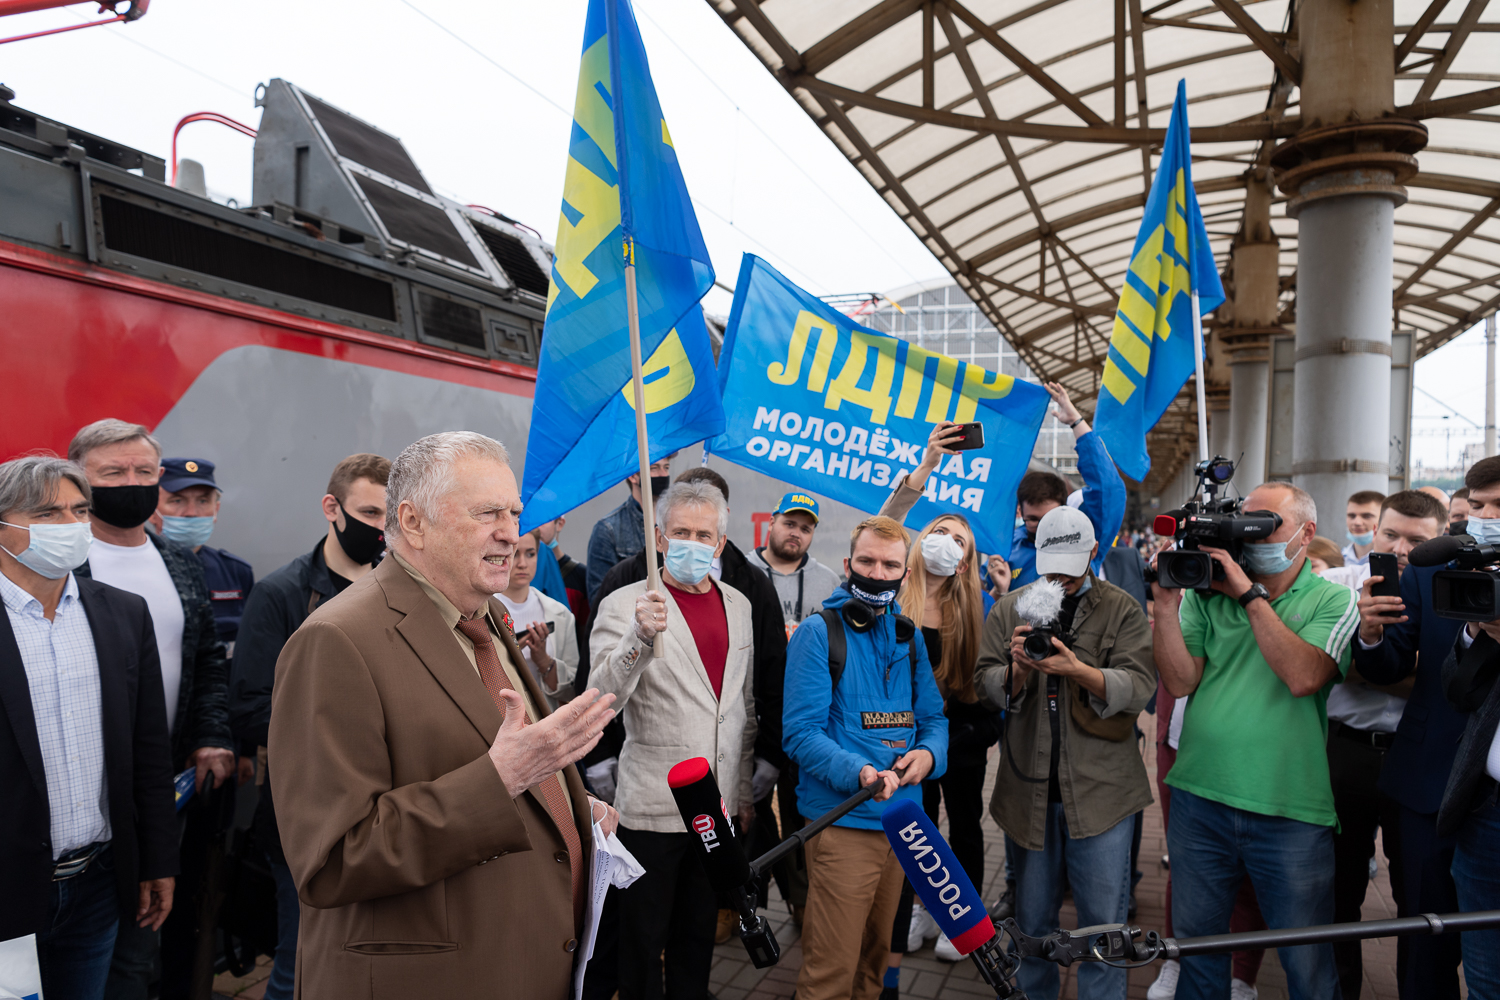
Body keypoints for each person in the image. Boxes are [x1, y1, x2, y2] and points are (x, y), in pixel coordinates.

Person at [268, 432, 618, 998]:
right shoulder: (335, 640)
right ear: (413, 522)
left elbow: (501, 765)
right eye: (487, 513)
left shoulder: (488, 614)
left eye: (514, 513)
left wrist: (571, 810)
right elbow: (332, 862)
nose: (511, 532)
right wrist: (501, 779)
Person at [1152, 481, 1358, 1000]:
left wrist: (1248, 595)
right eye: (1244, 524)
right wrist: (1165, 607)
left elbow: (1303, 676)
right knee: (1198, 954)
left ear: (1306, 534)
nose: (1251, 537)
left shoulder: (1333, 598)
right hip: (1200, 799)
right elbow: (1179, 681)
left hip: (1290, 812)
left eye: (1267, 527)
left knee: (1308, 966)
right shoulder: (1206, 596)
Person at [65, 419, 235, 1000]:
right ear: (78, 478)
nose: (131, 483)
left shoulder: (180, 562)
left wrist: (212, 734)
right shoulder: (61, 563)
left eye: (143, 471)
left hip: (161, 786)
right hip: (81, 787)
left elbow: (206, 658)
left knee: (139, 946)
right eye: (113, 472)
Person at [0, 456, 178, 1000]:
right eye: (48, 513)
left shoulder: (123, 613)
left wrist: (156, 860)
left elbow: (148, 750)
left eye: (79, 511)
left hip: (98, 881)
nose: (71, 525)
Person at [226, 452, 389, 1000]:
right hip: (305, 816)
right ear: (331, 508)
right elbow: (249, 706)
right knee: (301, 964)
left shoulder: (399, 589)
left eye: (391, 515)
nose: (380, 529)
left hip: (386, 814)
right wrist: (346, 735)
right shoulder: (282, 594)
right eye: (369, 513)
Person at [974, 506, 1154, 1000]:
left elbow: (1140, 686)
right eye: (1051, 568)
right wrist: (1019, 670)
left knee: (1103, 928)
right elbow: (984, 685)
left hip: (1102, 794)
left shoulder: (1121, 609)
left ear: (1094, 552)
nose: (1060, 579)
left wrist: (1079, 671)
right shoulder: (1012, 608)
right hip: (1028, 792)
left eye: (1072, 568)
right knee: (1033, 925)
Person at [589, 479, 757, 1000]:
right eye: (680, 532)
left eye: (703, 535)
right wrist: (638, 636)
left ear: (720, 543)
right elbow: (600, 698)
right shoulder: (625, 604)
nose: (692, 543)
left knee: (696, 939)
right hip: (651, 809)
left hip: (715, 811)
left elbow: (742, 706)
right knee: (641, 945)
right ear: (660, 538)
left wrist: (742, 790)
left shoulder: (739, 604)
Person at [783, 515, 947, 1000]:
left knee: (873, 969)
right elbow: (800, 734)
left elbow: (934, 720)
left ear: (906, 574)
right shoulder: (818, 633)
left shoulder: (909, 637)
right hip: (842, 823)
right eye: (867, 561)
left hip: (903, 823)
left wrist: (927, 755)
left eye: (890, 565)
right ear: (847, 563)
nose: (878, 573)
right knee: (830, 974)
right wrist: (859, 772)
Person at [1356, 475, 1487, 1000]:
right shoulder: (1431, 570)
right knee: (1423, 939)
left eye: (1498, 506)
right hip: (1427, 783)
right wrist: (1370, 634)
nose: (1485, 516)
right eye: (1478, 505)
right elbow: (1388, 665)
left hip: (1491, 790)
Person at [1316, 490, 1445, 1000]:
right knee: (1336, 887)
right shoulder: (1333, 586)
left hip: (1419, 758)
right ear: (1374, 531)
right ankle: (1339, 990)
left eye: (1418, 541)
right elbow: (1326, 667)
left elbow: (1453, 684)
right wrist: (1414, 672)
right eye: (1390, 534)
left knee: (1418, 894)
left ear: (1442, 541)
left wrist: (1366, 665)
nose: (1400, 549)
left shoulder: (1454, 593)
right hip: (1345, 753)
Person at [882, 382, 1125, 594]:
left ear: (1064, 509)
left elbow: (1110, 491)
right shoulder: (1005, 549)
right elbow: (981, 605)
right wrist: (999, 590)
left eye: (1049, 518)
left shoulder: (1083, 542)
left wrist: (1076, 422)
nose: (1043, 528)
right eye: (1033, 520)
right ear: (1020, 513)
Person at [889, 514, 994, 972]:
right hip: (904, 744)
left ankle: (962, 919)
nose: (946, 542)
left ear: (965, 562)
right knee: (918, 829)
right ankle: (917, 908)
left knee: (965, 825)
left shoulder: (975, 610)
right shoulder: (894, 600)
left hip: (962, 737)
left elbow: (984, 689)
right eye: (939, 532)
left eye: (958, 540)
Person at [1434, 464, 1500, 1000]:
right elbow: (1459, 692)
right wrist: (1479, 629)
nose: (1485, 517)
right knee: (1485, 979)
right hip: (1487, 811)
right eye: (1477, 506)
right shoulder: (1485, 578)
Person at [150, 458, 255, 656]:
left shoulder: (235, 572)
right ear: (151, 511)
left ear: (216, 510)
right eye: (177, 501)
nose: (191, 513)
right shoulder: (137, 570)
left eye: (203, 501)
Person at [498, 529, 579, 710]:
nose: (522, 564)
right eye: (514, 554)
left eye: (530, 554)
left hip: (546, 716)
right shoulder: (482, 610)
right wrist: (510, 654)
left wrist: (544, 662)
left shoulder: (560, 614)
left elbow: (573, 689)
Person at [746, 491, 842, 633]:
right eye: (790, 524)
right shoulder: (742, 571)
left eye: (805, 529)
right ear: (771, 523)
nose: (796, 534)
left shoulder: (830, 582)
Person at [586, 452, 674, 603]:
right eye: (654, 468)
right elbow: (600, 600)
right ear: (633, 476)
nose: (663, 475)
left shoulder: (675, 524)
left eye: (666, 468)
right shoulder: (608, 530)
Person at [1342, 489, 1385, 566]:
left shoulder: (1394, 562)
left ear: (1385, 518)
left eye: (1367, 516)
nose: (1357, 522)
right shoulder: (1336, 559)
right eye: (1352, 516)